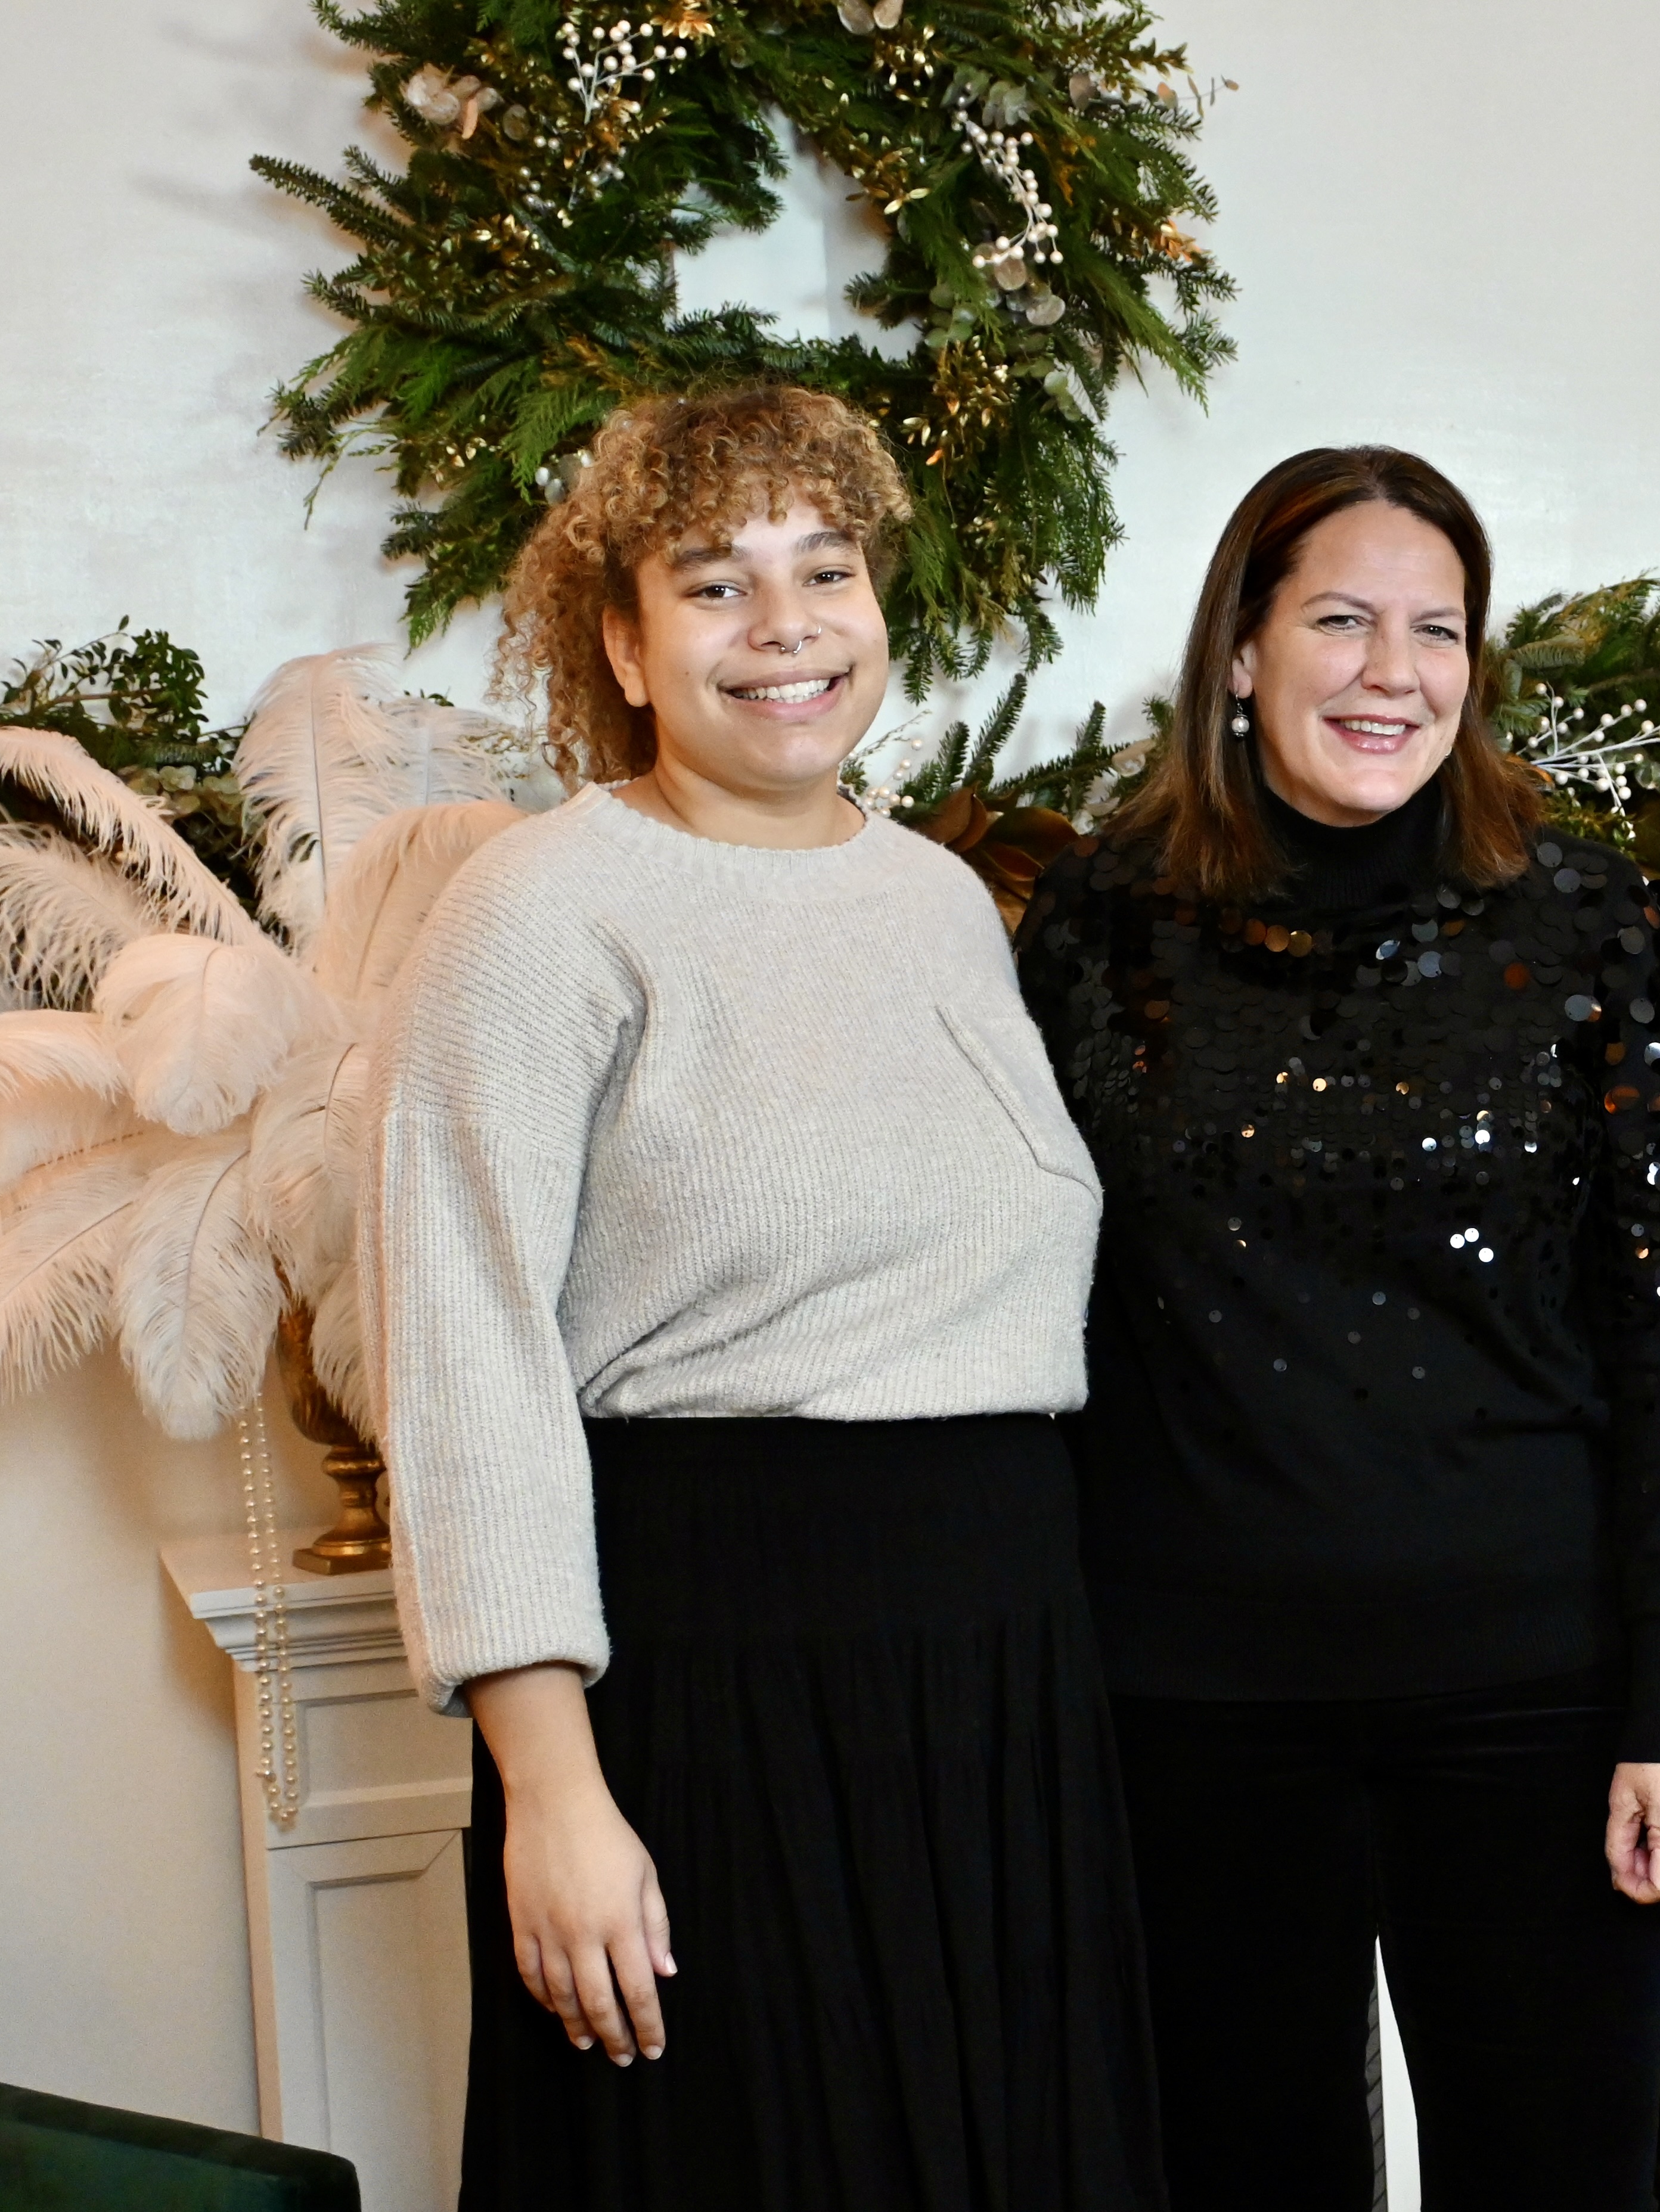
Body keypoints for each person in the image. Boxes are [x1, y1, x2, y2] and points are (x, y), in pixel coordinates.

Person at [366, 385, 1165, 2211]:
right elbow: (467, 1352)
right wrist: (554, 1799)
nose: (786, 623)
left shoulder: (943, 905)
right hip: (713, 1671)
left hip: (1005, 1672)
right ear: (627, 645)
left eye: (826, 568)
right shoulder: (542, 910)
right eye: (715, 585)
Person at [1011, 445, 1660, 2210]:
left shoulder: (1582, 919)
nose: (1393, 672)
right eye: (1340, 619)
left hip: (1537, 1698)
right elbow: (1035, 1310)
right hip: (1189, 1703)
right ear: (1242, 652)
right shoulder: (1103, 922)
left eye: (1438, 631)